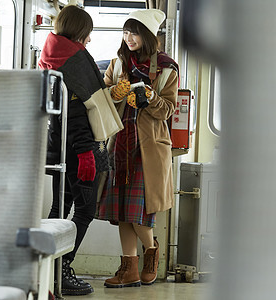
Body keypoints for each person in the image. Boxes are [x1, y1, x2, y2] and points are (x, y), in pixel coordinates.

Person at [38, 5, 123, 296]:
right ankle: (62, 268)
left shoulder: (51, 54)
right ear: (79, 32)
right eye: (87, 34)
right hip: (77, 149)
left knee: (59, 210)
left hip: (58, 147)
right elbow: (75, 111)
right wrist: (87, 151)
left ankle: (49, 269)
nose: (88, 40)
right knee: (84, 210)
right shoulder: (73, 59)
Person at [96, 8, 179, 288]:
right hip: (120, 144)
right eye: (125, 32)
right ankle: (128, 269)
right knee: (122, 211)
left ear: (148, 36)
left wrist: (151, 98)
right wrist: (113, 94)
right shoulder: (117, 63)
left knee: (139, 213)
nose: (128, 38)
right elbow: (102, 99)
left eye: (134, 32)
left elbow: (168, 110)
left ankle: (151, 250)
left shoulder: (167, 68)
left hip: (148, 148)